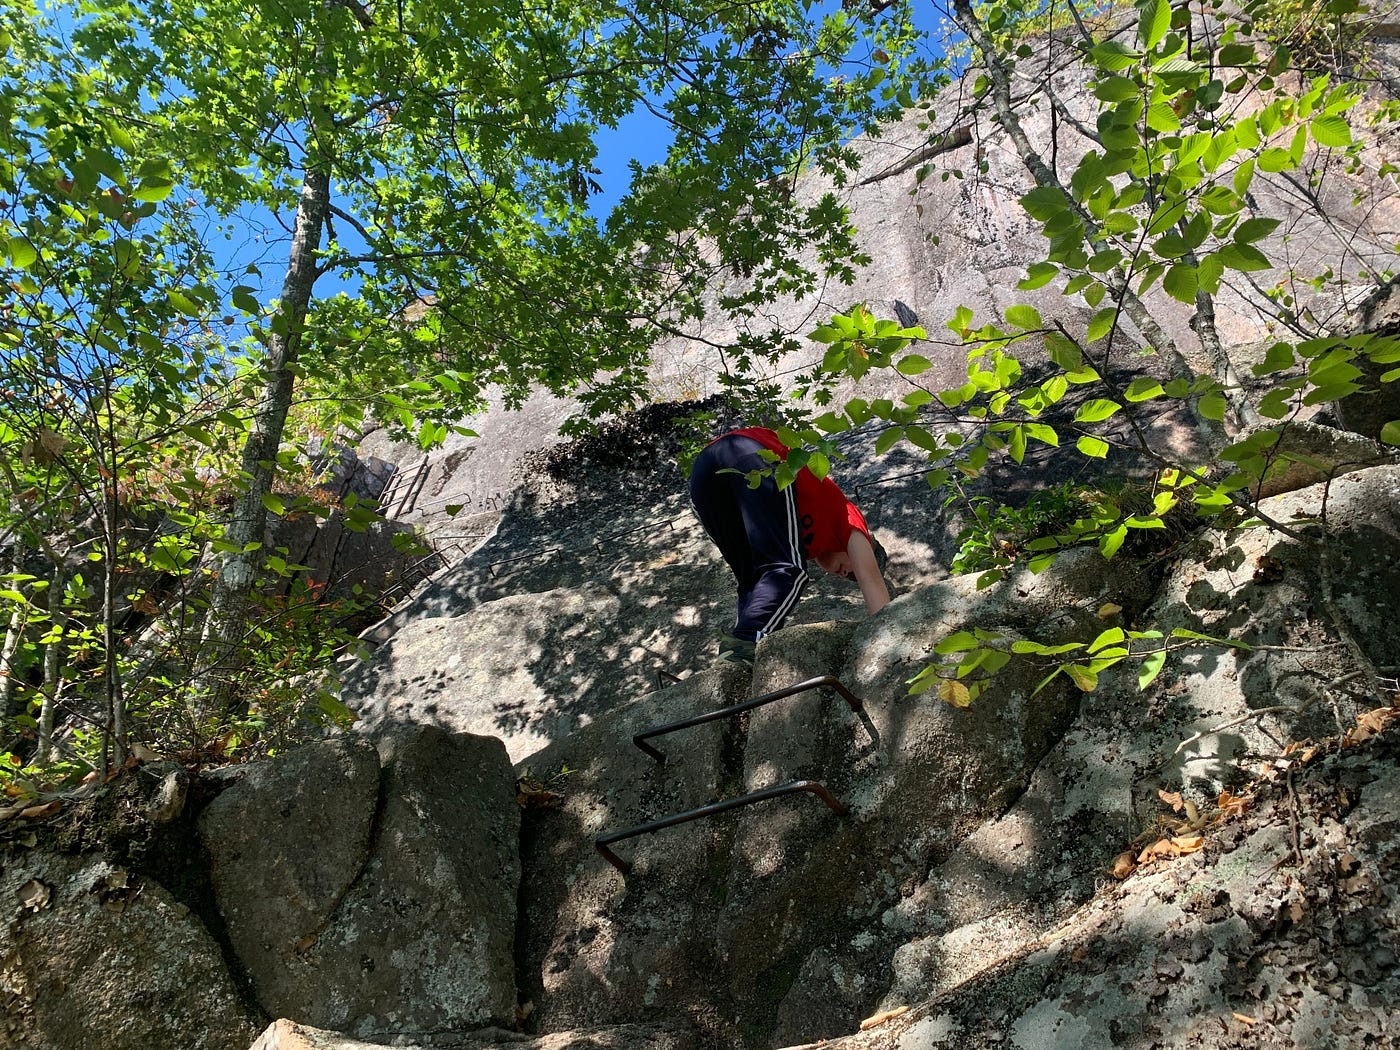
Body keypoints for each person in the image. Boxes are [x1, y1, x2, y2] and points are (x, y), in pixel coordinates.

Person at [689, 426, 891, 665]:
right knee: (786, 571)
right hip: (754, 453)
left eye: (848, 579)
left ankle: (733, 656)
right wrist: (888, 642)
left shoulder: (802, 540)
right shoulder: (849, 522)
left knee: (752, 581)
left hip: (706, 471)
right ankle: (745, 646)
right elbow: (872, 579)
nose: (847, 573)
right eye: (852, 571)